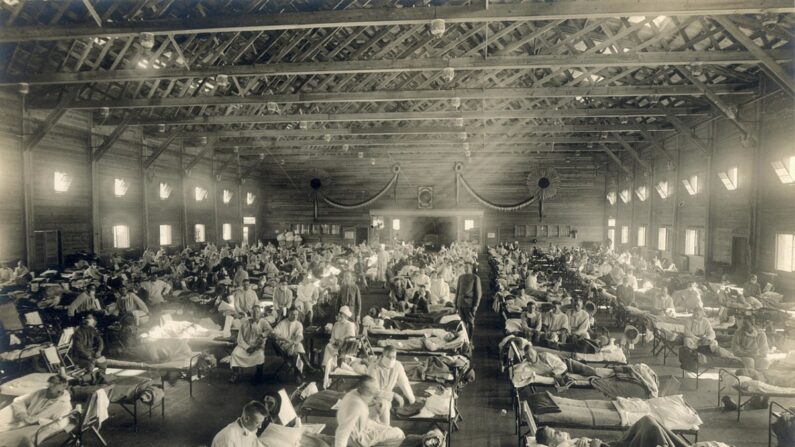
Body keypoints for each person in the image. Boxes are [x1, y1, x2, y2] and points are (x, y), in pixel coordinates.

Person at [0, 374, 72, 446]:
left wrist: (38, 420)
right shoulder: (41, 392)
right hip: (23, 418)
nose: (49, 386)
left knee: (14, 438)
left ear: (62, 388)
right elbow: (19, 400)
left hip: (35, 426)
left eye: (54, 385)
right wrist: (21, 412)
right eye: (50, 383)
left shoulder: (64, 405)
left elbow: (60, 425)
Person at [334, 376, 405, 447]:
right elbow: (343, 431)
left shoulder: (355, 392)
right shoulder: (356, 405)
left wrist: (394, 395)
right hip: (357, 438)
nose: (373, 396)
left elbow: (377, 392)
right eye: (371, 394)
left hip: (364, 426)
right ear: (364, 390)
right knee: (399, 434)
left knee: (387, 427)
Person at [535, 415, 689, 447]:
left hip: (615, 445)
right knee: (651, 427)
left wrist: (581, 439)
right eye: (555, 434)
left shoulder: (567, 443)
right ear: (552, 445)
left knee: (648, 420)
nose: (559, 432)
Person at [365, 345, 416, 425]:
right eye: (389, 357)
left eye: (394, 357)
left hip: (386, 399)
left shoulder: (397, 366)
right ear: (383, 356)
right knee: (377, 415)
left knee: (384, 406)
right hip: (372, 398)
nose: (391, 359)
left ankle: (384, 429)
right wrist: (394, 395)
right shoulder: (373, 367)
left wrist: (412, 400)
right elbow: (374, 390)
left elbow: (404, 383)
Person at [229, 307, 271, 384]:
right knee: (234, 354)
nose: (255, 314)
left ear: (260, 314)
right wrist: (247, 347)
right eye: (253, 312)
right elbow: (240, 339)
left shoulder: (263, 322)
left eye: (257, 312)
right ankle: (235, 374)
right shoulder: (245, 323)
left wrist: (262, 335)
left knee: (260, 355)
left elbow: (269, 330)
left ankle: (258, 375)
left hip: (256, 346)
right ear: (251, 313)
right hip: (245, 346)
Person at [272, 309, 314, 374]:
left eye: (296, 314)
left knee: (298, 346)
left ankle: (305, 367)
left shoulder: (298, 324)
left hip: (293, 344)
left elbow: (300, 336)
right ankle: (300, 371)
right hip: (284, 344)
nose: (294, 316)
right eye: (292, 314)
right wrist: (285, 339)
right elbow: (274, 333)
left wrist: (293, 344)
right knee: (296, 352)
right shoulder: (282, 323)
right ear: (289, 314)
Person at [455, 263, 482, 341]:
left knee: (470, 323)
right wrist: (455, 304)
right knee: (462, 323)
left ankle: (470, 340)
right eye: (465, 267)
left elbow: (478, 293)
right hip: (460, 303)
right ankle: (463, 340)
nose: (465, 268)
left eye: (467, 267)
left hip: (469, 304)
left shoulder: (475, 278)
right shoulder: (461, 277)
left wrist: (476, 305)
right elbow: (457, 291)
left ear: (471, 268)